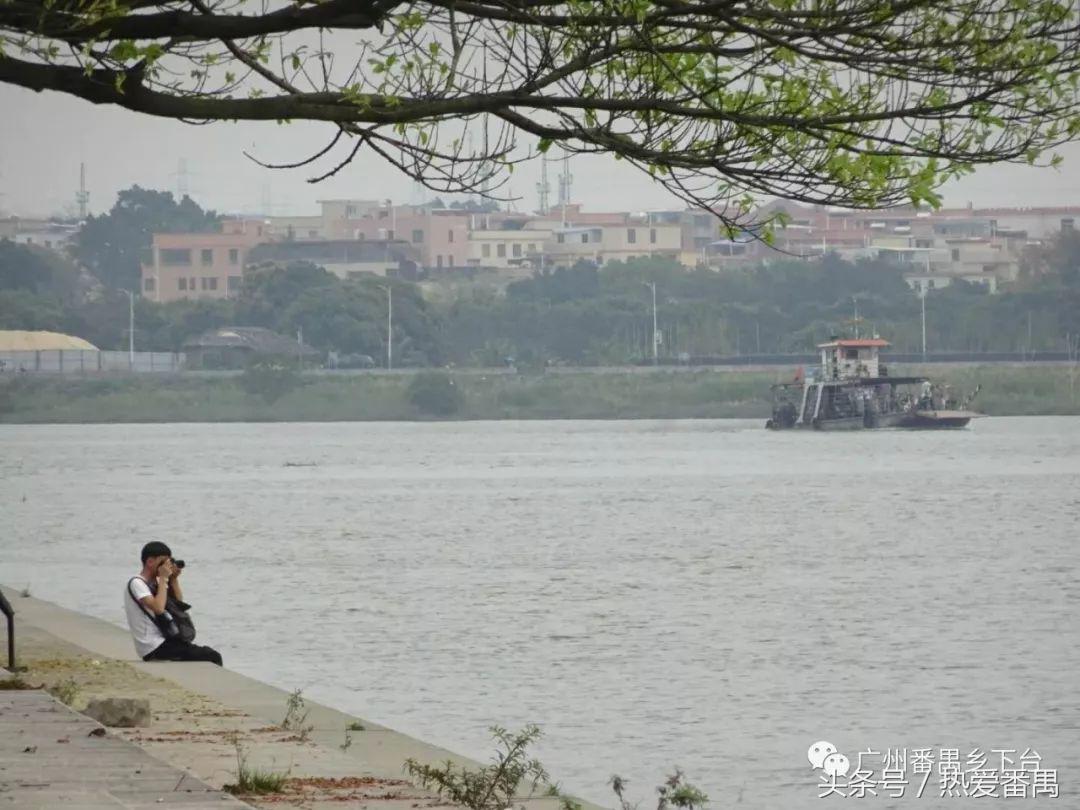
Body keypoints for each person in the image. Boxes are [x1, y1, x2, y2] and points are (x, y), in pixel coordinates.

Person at [125, 541, 223, 666]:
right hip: (154, 646)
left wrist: (173, 579)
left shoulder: (154, 584)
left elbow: (178, 605)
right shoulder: (136, 583)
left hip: (165, 642)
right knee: (212, 656)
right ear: (150, 562)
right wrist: (163, 578)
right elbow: (158, 608)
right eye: (163, 562)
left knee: (205, 653)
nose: (166, 567)